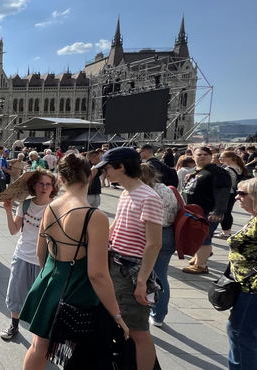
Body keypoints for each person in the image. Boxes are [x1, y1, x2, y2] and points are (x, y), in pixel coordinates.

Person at [20, 154, 129, 370]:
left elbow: (41, 253)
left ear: (60, 177)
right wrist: (117, 314)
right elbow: (97, 274)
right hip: (78, 290)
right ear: (90, 176)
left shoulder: (50, 207)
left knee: (39, 346)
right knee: (86, 354)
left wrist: (52, 279)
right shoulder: (93, 216)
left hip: (50, 282)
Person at [97, 147, 162, 370]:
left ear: (121, 167)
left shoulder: (149, 197)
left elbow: (155, 243)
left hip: (131, 271)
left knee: (138, 332)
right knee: (124, 326)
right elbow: (116, 227)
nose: (105, 172)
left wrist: (142, 281)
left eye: (106, 168)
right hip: (116, 265)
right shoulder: (126, 193)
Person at [0, 169, 58, 340]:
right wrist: (8, 211)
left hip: (46, 260)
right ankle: (14, 325)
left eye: (48, 184)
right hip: (22, 255)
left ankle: (40, 331)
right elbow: (13, 230)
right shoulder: (25, 205)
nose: (44, 187)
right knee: (16, 293)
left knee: (42, 297)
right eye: (40, 183)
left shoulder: (56, 207)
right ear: (33, 185)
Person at [137, 163, 179, 328]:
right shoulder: (167, 189)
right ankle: (159, 315)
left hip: (150, 234)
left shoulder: (144, 192)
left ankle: (145, 308)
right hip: (168, 233)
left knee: (142, 273)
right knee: (161, 275)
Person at [182, 147, 231, 274]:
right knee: (197, 236)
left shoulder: (217, 172)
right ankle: (200, 256)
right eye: (199, 154)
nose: (202, 156)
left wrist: (218, 211)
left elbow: (222, 193)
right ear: (193, 157)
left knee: (204, 237)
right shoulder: (196, 171)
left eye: (205, 154)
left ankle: (201, 265)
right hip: (194, 211)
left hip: (207, 211)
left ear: (211, 157)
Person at [226, 178, 257, 370]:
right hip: (245, 285)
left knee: (240, 333)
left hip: (252, 289)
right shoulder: (254, 217)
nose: (237, 197)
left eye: (242, 193)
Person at [218, 151, 247, 238]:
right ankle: (227, 230)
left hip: (228, 192)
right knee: (228, 211)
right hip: (235, 192)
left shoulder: (228, 169)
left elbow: (228, 183)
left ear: (230, 158)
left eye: (222, 157)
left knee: (224, 212)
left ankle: (225, 231)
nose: (220, 159)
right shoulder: (239, 168)